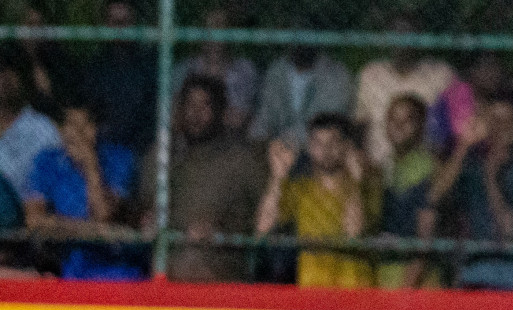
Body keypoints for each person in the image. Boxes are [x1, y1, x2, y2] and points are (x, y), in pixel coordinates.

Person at [139, 74, 265, 282]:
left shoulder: (241, 159)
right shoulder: (161, 155)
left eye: (204, 105)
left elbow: (265, 223)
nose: (195, 114)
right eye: (189, 104)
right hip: (165, 267)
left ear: (220, 111)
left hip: (219, 269)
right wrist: (145, 220)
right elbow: (139, 206)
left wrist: (221, 231)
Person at [430, 90, 513, 290]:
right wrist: (464, 146)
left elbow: (509, 231)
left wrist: (491, 177)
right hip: (474, 271)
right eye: (494, 122)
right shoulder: (473, 166)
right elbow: (435, 196)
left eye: (508, 122)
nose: (501, 129)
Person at [22, 100, 142, 280]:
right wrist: (85, 229)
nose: (78, 133)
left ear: (97, 129)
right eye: (71, 125)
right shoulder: (47, 161)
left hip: (116, 270)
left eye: (85, 125)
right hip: (67, 269)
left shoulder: (119, 158)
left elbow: (104, 215)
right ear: (61, 130)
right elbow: (34, 219)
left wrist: (90, 165)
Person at [255, 113, 377, 288]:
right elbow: (263, 228)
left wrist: (356, 183)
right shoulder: (300, 189)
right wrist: (277, 176)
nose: (325, 150)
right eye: (317, 143)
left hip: (355, 290)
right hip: (313, 289)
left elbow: (354, 234)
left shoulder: (368, 185)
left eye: (332, 142)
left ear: (346, 146)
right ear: (309, 147)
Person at [353, 14, 455, 168]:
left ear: (420, 37)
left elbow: (456, 125)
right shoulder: (371, 74)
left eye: (408, 33)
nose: (402, 39)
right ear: (386, 38)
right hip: (377, 164)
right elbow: (360, 123)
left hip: (425, 166)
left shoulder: (440, 74)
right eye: (396, 32)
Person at [374, 95, 439, 289]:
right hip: (385, 277)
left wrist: (409, 285)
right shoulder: (386, 165)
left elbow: (426, 233)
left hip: (417, 285)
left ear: (420, 126)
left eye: (407, 120)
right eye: (393, 119)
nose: (399, 126)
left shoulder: (427, 167)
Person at [75, 1, 156, 151]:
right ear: (106, 25)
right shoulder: (94, 67)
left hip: (142, 149)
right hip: (102, 147)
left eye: (125, 22)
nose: (120, 29)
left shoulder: (149, 65)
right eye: (115, 22)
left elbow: (152, 116)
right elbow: (87, 112)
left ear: (134, 23)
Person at [170, 7, 259, 135]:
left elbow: (241, 118)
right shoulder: (185, 69)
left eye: (220, 30)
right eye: (210, 29)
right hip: (192, 138)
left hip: (232, 140)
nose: (215, 37)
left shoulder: (245, 70)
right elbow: (174, 116)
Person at [249, 46, 353, 153]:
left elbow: (330, 122)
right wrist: (258, 138)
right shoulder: (277, 70)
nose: (301, 41)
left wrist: (288, 142)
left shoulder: (336, 73)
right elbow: (264, 115)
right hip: (279, 151)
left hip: (319, 153)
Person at [0, 56, 60, 222]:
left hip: (29, 225)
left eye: (10, 73)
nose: (4, 80)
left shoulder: (42, 128)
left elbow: (56, 188)